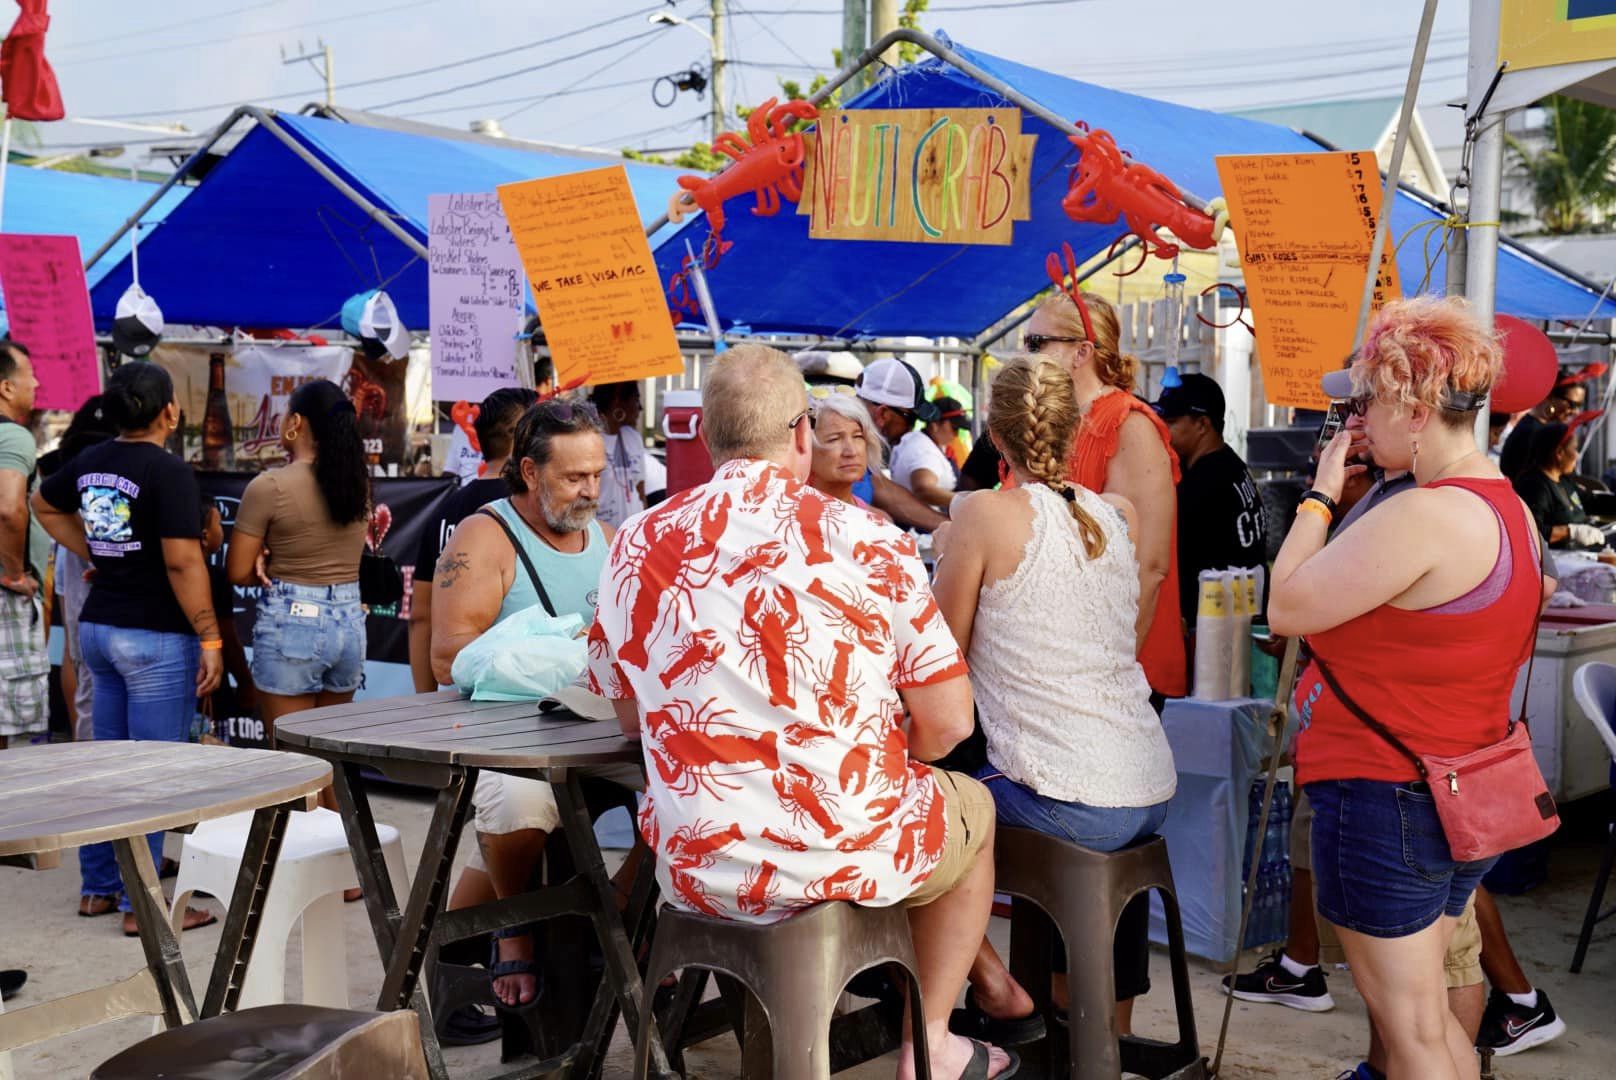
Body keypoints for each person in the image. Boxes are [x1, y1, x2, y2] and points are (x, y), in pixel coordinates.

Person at [587, 343, 1014, 1080]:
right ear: (800, 434)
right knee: (972, 806)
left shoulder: (635, 541)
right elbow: (948, 726)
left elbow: (627, 717)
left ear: (711, 437)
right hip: (845, 851)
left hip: (697, 864)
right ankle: (934, 1043)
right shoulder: (871, 540)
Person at [1268, 297, 1549, 1080]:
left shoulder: (1426, 515)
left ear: (1413, 406)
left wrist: (1322, 494)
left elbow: (1286, 606)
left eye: (1363, 402)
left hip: (1387, 796)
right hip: (1455, 791)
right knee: (1423, 1024)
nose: (1354, 422)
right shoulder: (1511, 512)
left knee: (1415, 1035)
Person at [931, 354, 1175, 1047]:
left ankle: (988, 994)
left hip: (1071, 801)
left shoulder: (983, 514)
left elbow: (939, 661)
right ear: (1074, 431)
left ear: (993, 433)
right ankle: (1022, 999)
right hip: (1149, 787)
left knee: (914, 804)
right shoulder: (1115, 513)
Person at [431, 398, 622, 1010]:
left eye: (596, 474)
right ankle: (513, 926)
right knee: (520, 799)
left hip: (593, 730)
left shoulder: (606, 537)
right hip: (507, 737)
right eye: (573, 478)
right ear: (531, 472)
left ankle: (619, 915)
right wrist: (557, 654)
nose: (589, 490)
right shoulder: (485, 537)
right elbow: (448, 658)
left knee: (695, 787)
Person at [33, 361, 222, 937]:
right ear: (170, 411)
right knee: (154, 772)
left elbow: (45, 504)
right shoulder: (166, 470)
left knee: (107, 764)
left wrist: (97, 554)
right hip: (154, 636)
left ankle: (99, 888)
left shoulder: (90, 461)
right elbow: (183, 559)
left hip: (99, 629)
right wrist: (210, 634)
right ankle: (143, 906)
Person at [1023, 292, 1185, 703]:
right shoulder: (1047, 421)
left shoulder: (1129, 426)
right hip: (1048, 661)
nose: (1024, 354)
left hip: (1110, 668)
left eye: (1036, 343)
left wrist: (1110, 675)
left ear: (1082, 352)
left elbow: (1149, 568)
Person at [227, 380, 370, 747]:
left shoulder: (270, 486)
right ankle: (337, 809)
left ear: (296, 422)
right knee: (330, 756)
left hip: (294, 622)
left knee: (294, 759)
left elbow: (238, 571)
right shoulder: (356, 484)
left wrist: (263, 554)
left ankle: (310, 809)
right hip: (350, 624)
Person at [410, 387, 537, 693]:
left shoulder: (445, 510)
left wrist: (425, 701)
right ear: (523, 438)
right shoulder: (531, 510)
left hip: (454, 689)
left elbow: (420, 616)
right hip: (519, 688)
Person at [1154, 373, 1266, 622]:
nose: (1162, 428)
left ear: (1202, 425)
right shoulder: (1229, 463)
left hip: (1215, 622)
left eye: (1170, 421)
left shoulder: (1206, 483)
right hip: (1240, 610)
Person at [42, 396, 121, 741]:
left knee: (80, 659)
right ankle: (84, 740)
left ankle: (82, 740)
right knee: (89, 664)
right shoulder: (124, 457)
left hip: (75, 552)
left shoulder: (69, 463)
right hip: (91, 554)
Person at [0, 338, 47, 749]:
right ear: (6, 387)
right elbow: (10, 508)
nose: (38, 383)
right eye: (30, 375)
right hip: (6, 598)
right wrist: (15, 573)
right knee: (11, 729)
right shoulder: (14, 438)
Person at [852, 357, 950, 531]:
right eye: (910, 417)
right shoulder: (843, 442)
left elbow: (882, 490)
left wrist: (948, 526)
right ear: (883, 414)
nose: (912, 427)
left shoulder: (858, 444)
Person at [1512, 423, 1606, 551]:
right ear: (1559, 453)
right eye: (1574, 449)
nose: (1577, 456)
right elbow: (1532, 531)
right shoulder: (1535, 486)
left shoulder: (1564, 481)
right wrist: (1571, 532)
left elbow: (1591, 502)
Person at [806, 392, 885, 510]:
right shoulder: (787, 519)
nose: (851, 451)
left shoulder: (876, 522)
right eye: (834, 439)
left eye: (858, 436)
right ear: (806, 446)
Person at [1498, 378, 1585, 481]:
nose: (1575, 412)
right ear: (1551, 397)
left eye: (1579, 405)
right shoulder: (1531, 432)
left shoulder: (1539, 429)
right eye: (1572, 404)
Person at [890, 395, 964, 512]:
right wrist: (964, 500)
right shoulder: (925, 451)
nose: (956, 435)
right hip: (921, 527)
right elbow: (923, 489)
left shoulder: (916, 439)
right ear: (934, 425)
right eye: (954, 428)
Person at [591, 381, 646, 529]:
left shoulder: (633, 438)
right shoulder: (591, 441)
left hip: (634, 532)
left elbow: (640, 491)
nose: (640, 407)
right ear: (617, 401)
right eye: (636, 399)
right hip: (603, 533)